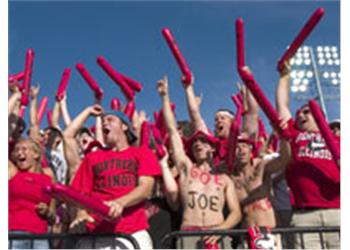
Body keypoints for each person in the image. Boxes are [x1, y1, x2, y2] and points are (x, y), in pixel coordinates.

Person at [157, 75, 241, 249]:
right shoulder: (186, 168)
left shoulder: (224, 178)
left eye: (203, 142)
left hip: (217, 236)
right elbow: (172, 131)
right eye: (195, 142)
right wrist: (165, 97)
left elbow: (236, 213)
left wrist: (221, 230)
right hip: (188, 234)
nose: (198, 145)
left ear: (212, 148)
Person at [69, 107, 162, 249]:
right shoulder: (92, 157)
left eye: (110, 120)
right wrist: (81, 213)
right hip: (95, 234)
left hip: (132, 234)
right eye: (102, 121)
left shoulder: (142, 153)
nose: (105, 123)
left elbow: (146, 188)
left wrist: (119, 203)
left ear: (124, 126)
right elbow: (81, 194)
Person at [276, 63, 340, 249]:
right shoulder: (295, 136)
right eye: (298, 114)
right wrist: (284, 76)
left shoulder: (340, 140)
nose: (300, 115)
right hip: (304, 216)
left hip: (339, 211)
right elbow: (282, 105)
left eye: (306, 112)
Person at [9, 138, 55, 249]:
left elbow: (52, 217)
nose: (19, 153)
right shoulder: (12, 173)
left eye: (24, 149)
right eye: (17, 150)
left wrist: (46, 211)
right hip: (14, 234)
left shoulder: (48, 178)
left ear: (36, 154)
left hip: (40, 237)